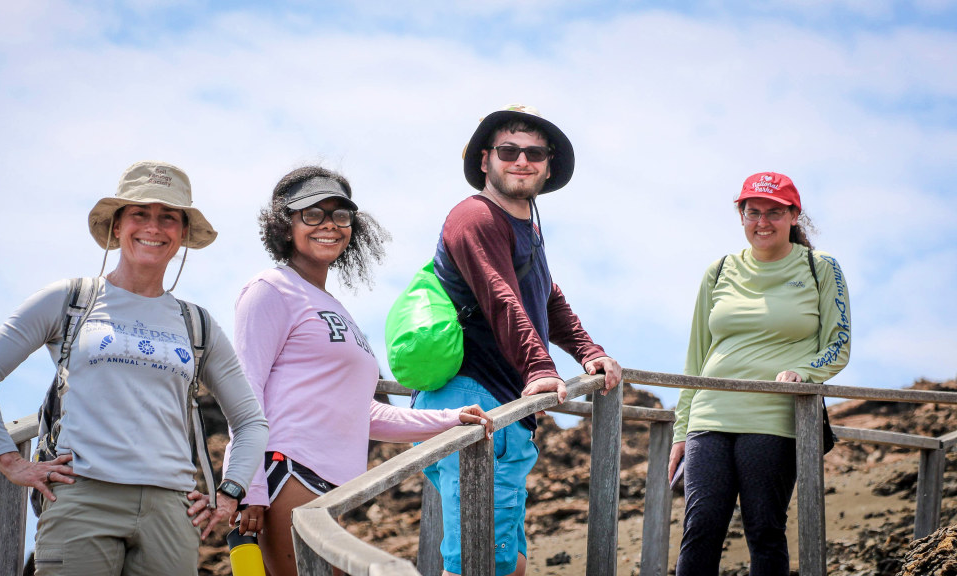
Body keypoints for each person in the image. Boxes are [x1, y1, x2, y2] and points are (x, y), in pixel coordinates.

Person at [0, 161, 268, 575]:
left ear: (182, 235)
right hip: (82, 500)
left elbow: (251, 421)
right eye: (140, 213)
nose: (153, 227)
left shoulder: (198, 324)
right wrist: (11, 462)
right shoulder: (70, 299)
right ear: (117, 226)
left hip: (171, 513)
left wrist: (229, 493)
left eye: (168, 217)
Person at [227, 166, 494, 576]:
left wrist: (449, 420)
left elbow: (362, 412)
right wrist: (250, 488)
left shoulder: (335, 308)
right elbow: (245, 394)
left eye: (340, 214)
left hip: (337, 489)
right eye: (312, 214)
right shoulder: (270, 289)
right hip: (288, 470)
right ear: (285, 225)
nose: (329, 224)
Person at [412, 104, 622, 576]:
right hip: (476, 403)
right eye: (509, 150)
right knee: (478, 564)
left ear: (548, 166)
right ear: (485, 159)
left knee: (510, 562)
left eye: (534, 153)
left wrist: (589, 351)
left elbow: (546, 296)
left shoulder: (526, 227)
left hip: (499, 410)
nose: (522, 160)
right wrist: (540, 368)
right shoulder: (474, 216)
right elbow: (499, 296)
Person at [668, 172, 852, 576]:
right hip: (709, 416)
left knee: (764, 530)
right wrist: (681, 431)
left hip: (774, 417)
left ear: (794, 216)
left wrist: (803, 372)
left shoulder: (820, 267)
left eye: (774, 213)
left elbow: (838, 343)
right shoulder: (719, 270)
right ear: (741, 216)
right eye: (753, 212)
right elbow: (695, 359)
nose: (762, 222)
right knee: (699, 530)